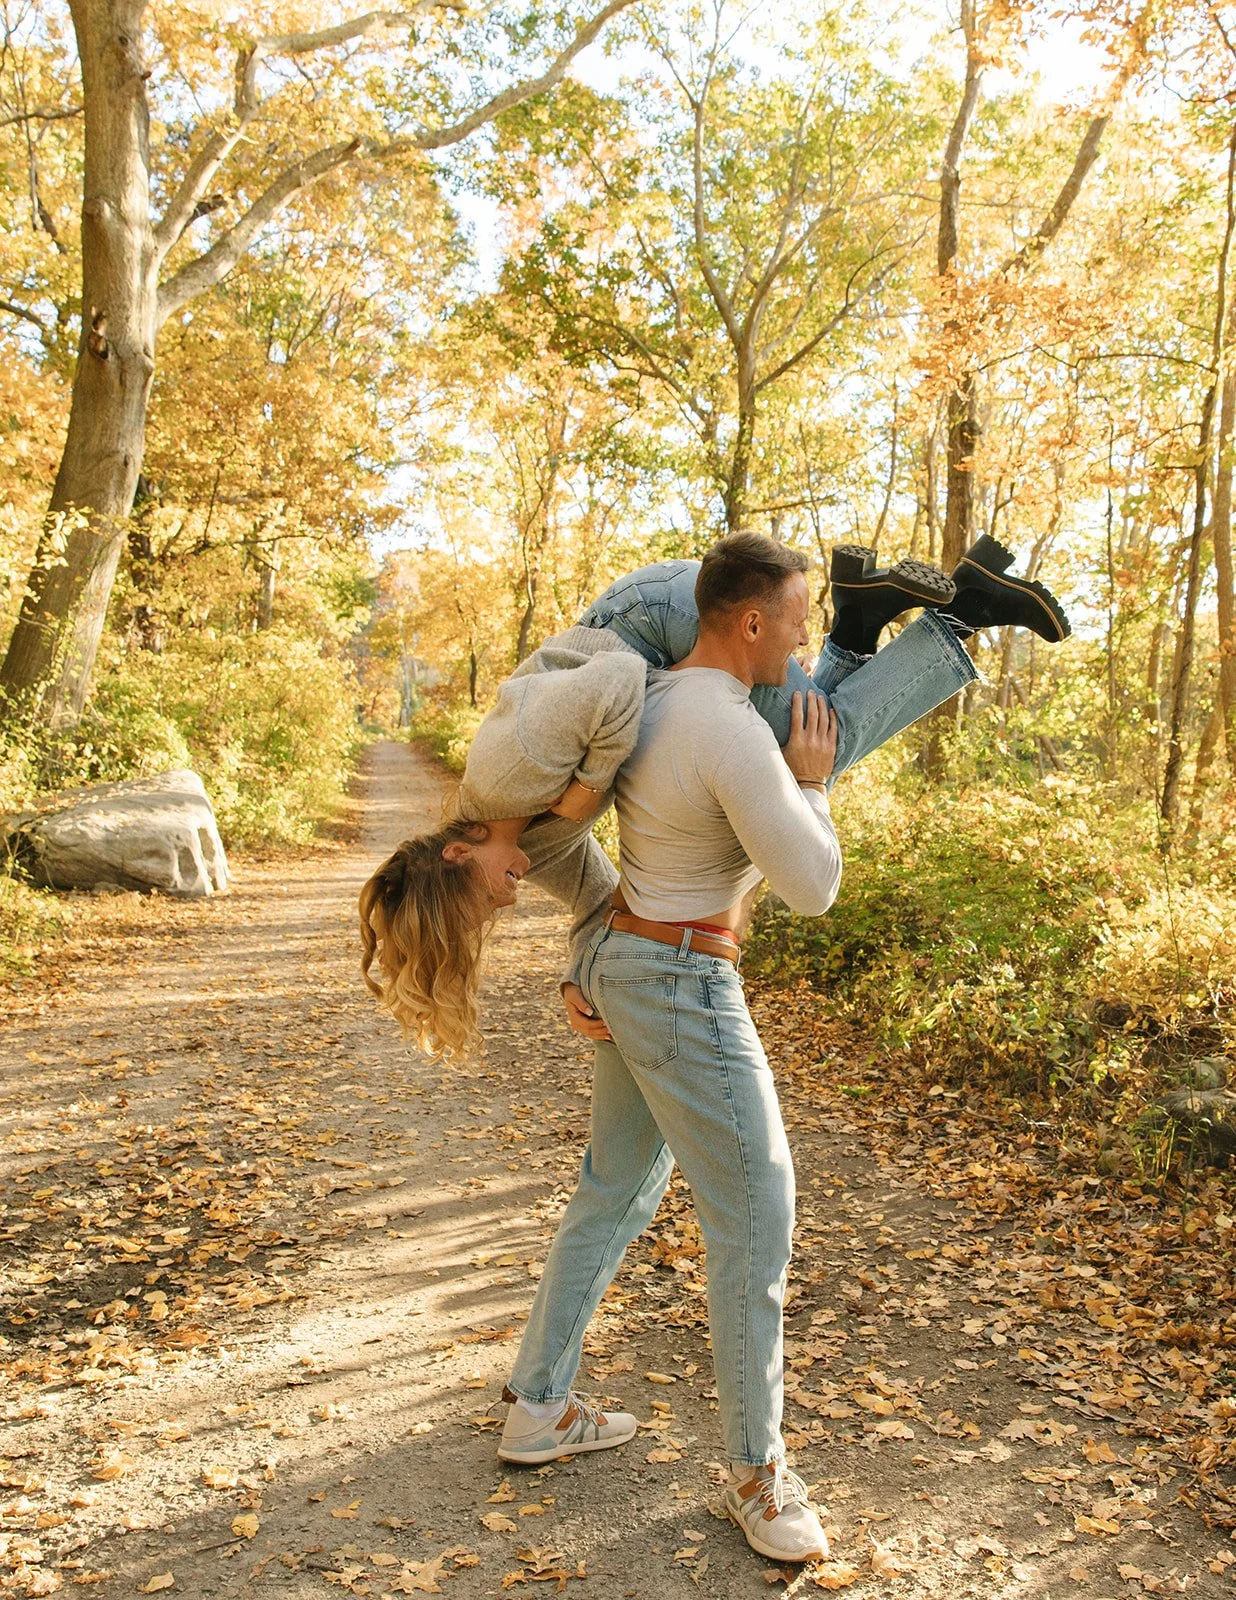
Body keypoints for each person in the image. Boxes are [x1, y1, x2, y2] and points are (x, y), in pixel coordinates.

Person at [492, 533, 1071, 1565]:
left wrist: (591, 964)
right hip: (679, 982)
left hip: (631, 955)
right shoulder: (729, 731)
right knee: (759, 1214)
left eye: (818, 626)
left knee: (614, 1187)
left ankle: (537, 1402)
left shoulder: (658, 696)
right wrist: (813, 784)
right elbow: (811, 885)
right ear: (750, 621)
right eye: (802, 623)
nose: (800, 649)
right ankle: (759, 1474)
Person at [359, 534, 1069, 1060]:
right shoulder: (529, 846)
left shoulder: (506, 767)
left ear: (458, 852)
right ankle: (857, 616)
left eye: (484, 897)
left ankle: (964, 610)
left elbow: (614, 680)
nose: (507, 901)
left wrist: (588, 788)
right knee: (804, 739)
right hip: (656, 632)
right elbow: (603, 898)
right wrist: (580, 977)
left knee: (821, 744)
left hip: (658, 619)